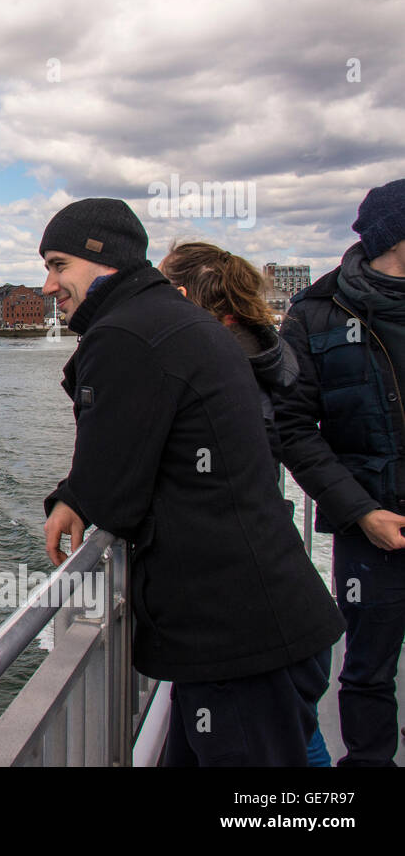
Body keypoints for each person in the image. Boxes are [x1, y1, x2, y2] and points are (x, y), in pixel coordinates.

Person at [39, 197, 344, 766]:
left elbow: (115, 493)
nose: (48, 284)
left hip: (235, 639)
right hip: (259, 618)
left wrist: (76, 496)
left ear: (102, 258)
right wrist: (77, 492)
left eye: (58, 265)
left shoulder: (125, 334)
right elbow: (144, 446)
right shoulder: (174, 321)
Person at [160, 240, 331, 766]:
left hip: (238, 612)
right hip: (275, 598)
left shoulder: (211, 374)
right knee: (295, 738)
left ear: (185, 298)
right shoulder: (263, 361)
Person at [274, 179, 405, 766]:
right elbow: (293, 428)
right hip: (373, 525)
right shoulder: (315, 315)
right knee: (369, 672)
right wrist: (361, 512)